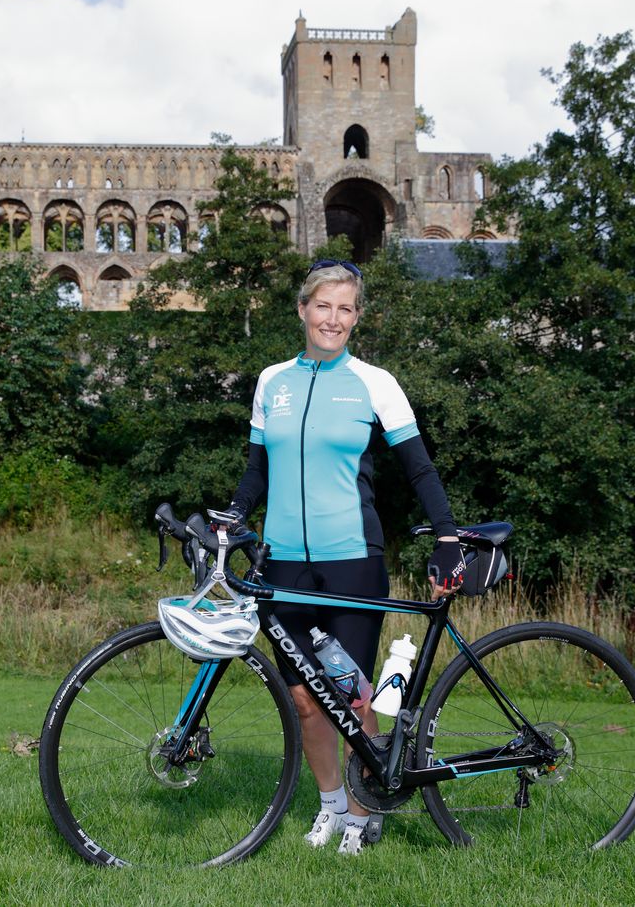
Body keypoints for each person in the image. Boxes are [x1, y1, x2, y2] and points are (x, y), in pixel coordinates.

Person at [220, 259, 465, 856]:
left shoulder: (374, 381)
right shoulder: (271, 380)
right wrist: (232, 514)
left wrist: (448, 538)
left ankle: (363, 812)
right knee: (305, 697)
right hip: (283, 564)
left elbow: (419, 467)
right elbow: (257, 469)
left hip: (353, 557)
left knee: (352, 696)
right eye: (323, 306)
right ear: (303, 310)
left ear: (357, 318)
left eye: (346, 309)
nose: (333, 318)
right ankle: (330, 804)